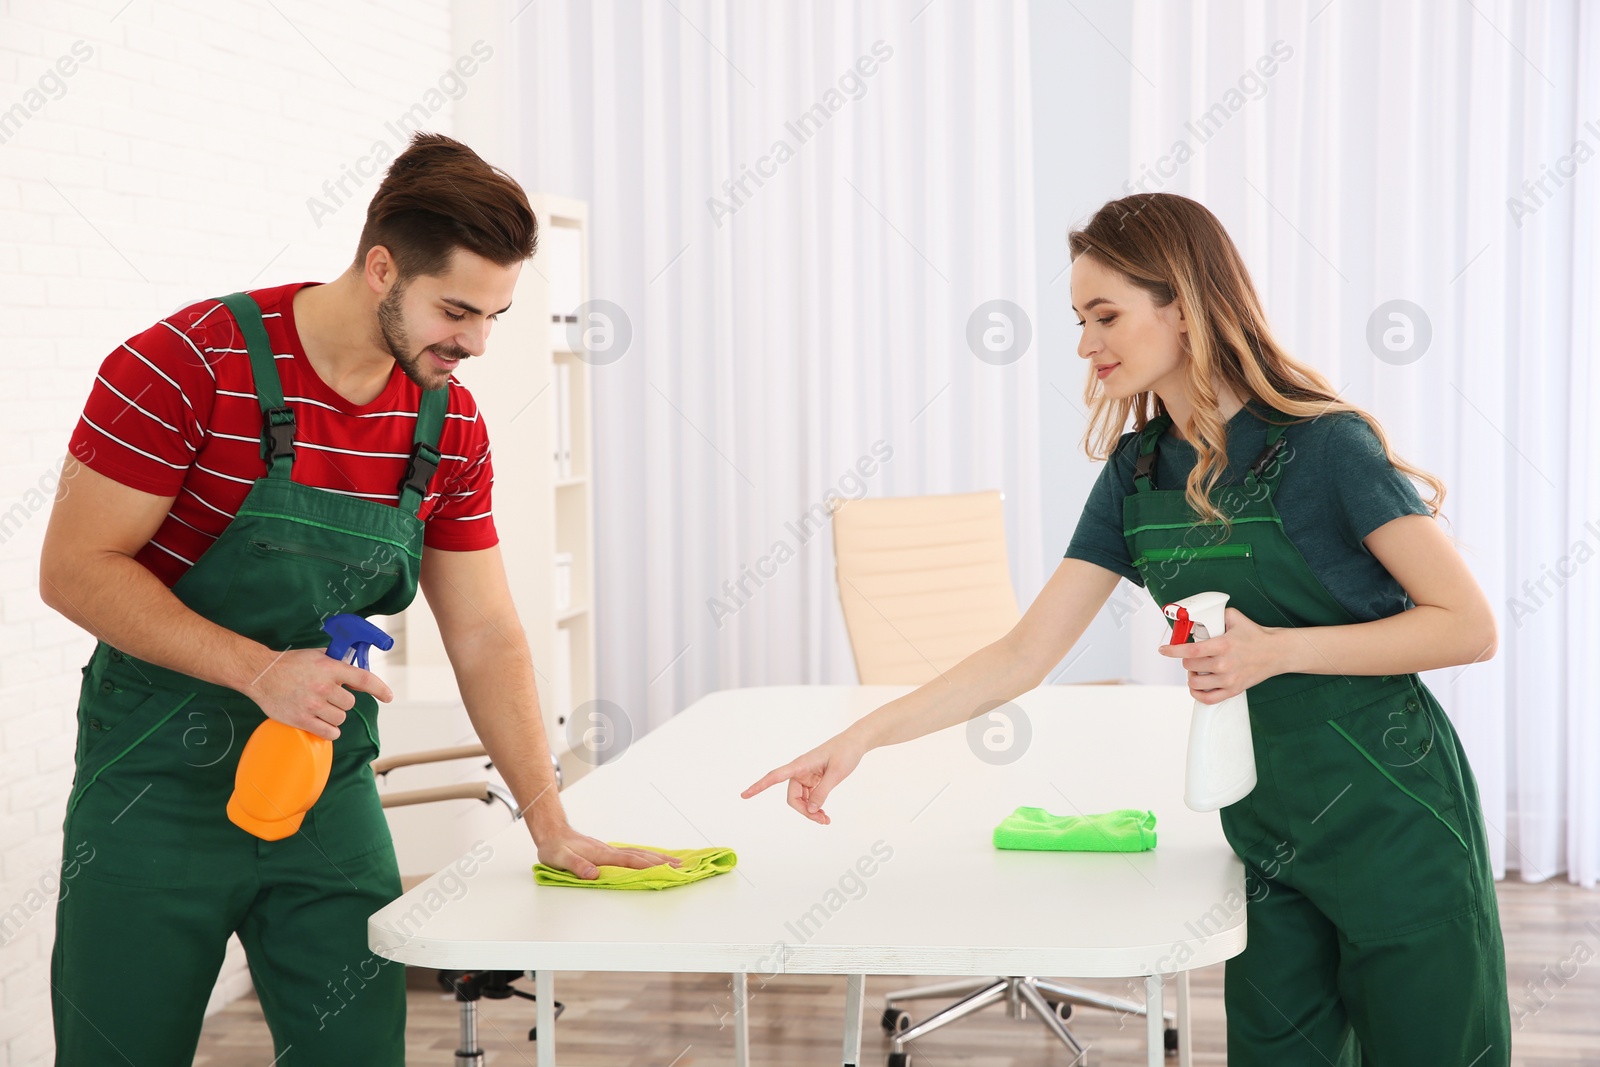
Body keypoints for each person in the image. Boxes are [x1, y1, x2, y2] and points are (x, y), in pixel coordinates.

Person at [744, 193, 1512, 1065]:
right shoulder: (1139, 470)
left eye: (1104, 315)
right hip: (1266, 832)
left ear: (1182, 303)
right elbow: (1022, 652)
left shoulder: (1325, 446)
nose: (1084, 343)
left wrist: (1276, 651)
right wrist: (859, 739)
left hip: (1395, 820)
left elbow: (1468, 626)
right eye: (1080, 318)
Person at [40, 132, 674, 1065]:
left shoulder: (447, 420)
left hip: (324, 793)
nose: (476, 344)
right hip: (150, 790)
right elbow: (74, 567)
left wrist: (549, 818)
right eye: (457, 310)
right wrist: (260, 670)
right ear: (381, 268)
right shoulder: (185, 365)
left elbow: (488, 632)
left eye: (495, 316)